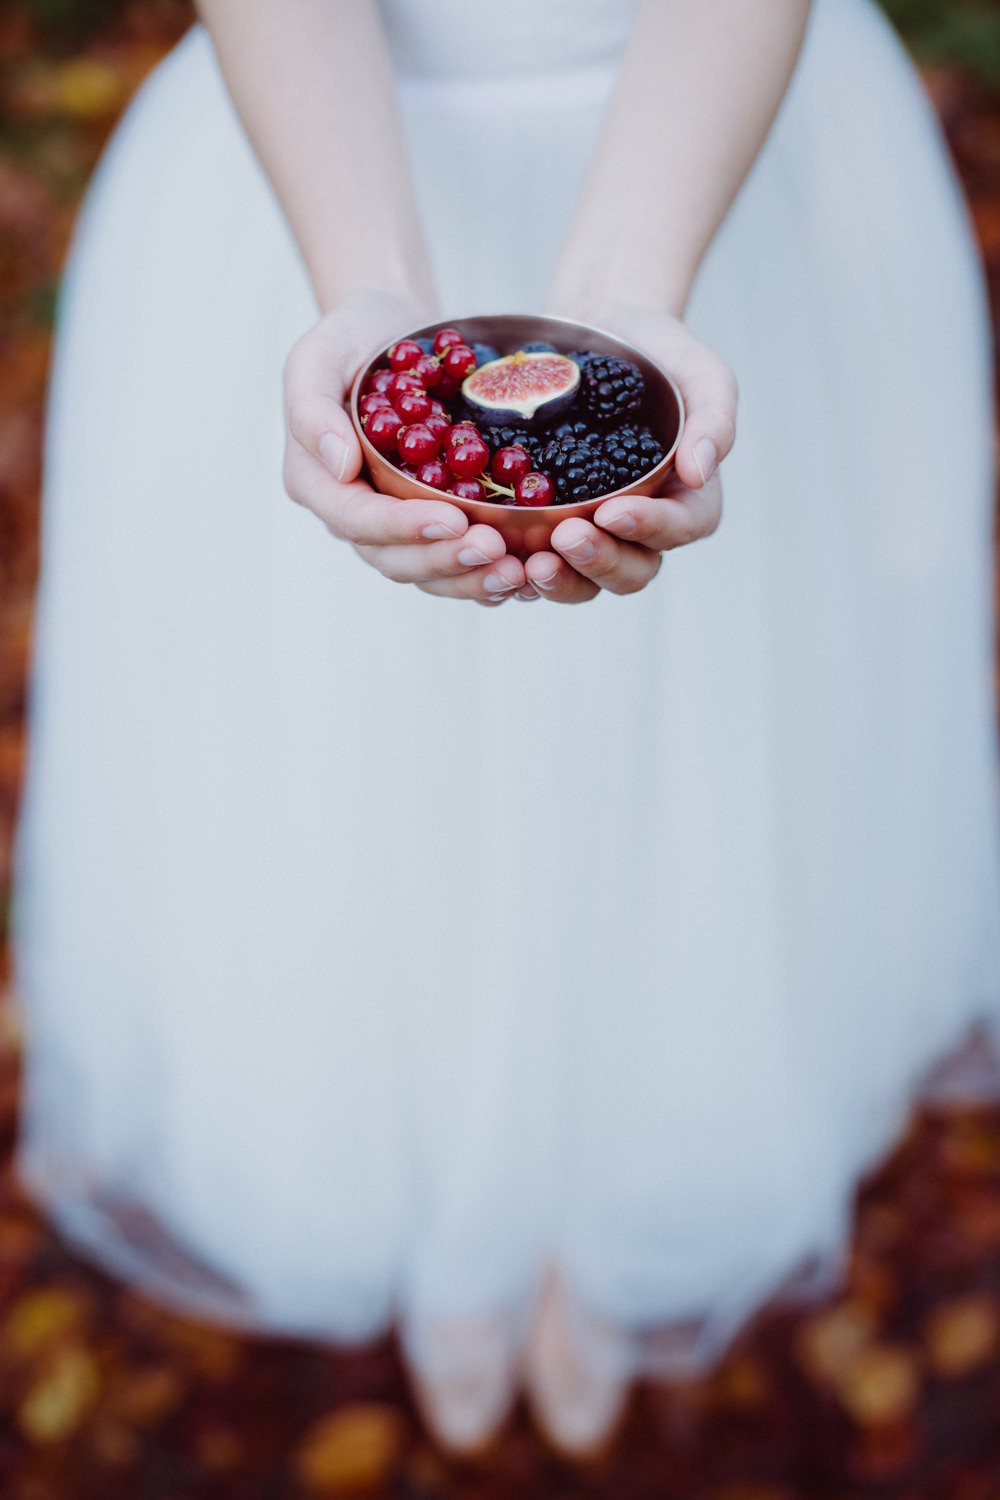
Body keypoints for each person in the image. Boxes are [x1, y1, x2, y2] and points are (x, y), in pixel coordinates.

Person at [12, 0, 1000, 1462]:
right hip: (318, 158)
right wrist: (369, 294)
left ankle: (596, 1211)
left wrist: (626, 299)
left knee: (688, 768)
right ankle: (456, 1210)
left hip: (718, 156)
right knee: (350, 765)